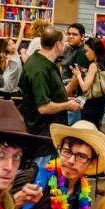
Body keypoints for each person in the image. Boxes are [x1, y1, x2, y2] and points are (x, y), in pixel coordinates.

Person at [19, 27, 82, 166]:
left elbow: (46, 94)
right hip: (42, 137)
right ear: (58, 44)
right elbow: (43, 107)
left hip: (49, 135)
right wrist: (67, 105)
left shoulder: (43, 62)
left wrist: (65, 99)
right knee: (40, 174)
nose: (66, 44)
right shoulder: (39, 69)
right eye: (64, 41)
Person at [72, 38, 105, 129]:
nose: (86, 54)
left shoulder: (93, 65)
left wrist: (78, 75)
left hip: (91, 105)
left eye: (87, 51)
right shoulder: (103, 64)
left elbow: (85, 88)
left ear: (94, 50)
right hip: (100, 103)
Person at [0, 20, 26, 98]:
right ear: (6, 48)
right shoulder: (6, 56)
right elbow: (3, 69)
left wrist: (22, 26)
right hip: (6, 85)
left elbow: (20, 38)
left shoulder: (15, 51)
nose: (12, 46)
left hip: (13, 85)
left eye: (13, 43)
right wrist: (6, 60)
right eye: (9, 45)